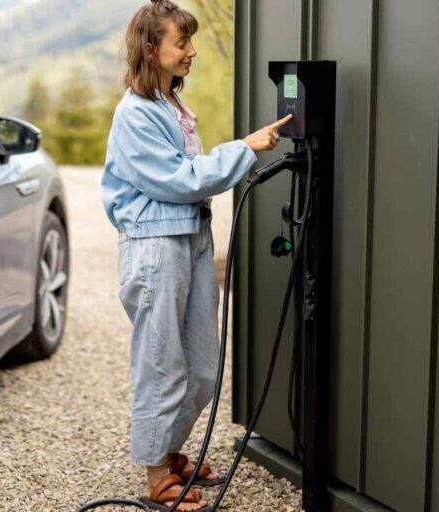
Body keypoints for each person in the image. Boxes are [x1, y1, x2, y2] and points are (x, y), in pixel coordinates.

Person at [101, 0, 292, 510]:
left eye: (190, 41)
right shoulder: (136, 113)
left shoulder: (170, 105)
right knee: (162, 365)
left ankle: (170, 450)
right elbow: (178, 180)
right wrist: (244, 148)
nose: (191, 52)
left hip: (190, 240)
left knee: (203, 367)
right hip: (155, 248)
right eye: (181, 42)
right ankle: (156, 475)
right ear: (150, 48)